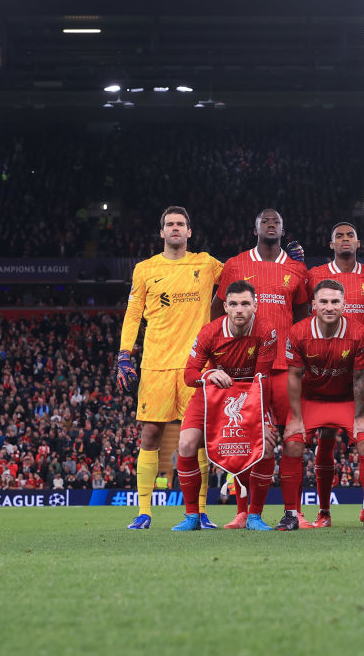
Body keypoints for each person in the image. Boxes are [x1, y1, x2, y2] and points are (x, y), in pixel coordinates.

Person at [117, 205, 224, 530]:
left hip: (197, 364)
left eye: (180, 224)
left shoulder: (206, 264)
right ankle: (144, 511)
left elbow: (240, 277)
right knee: (150, 434)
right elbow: (134, 312)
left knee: (199, 440)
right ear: (162, 232)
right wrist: (124, 354)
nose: (175, 228)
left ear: (189, 231)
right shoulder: (145, 269)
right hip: (156, 365)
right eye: (169, 224)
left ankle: (201, 511)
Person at [211, 209, 310, 529]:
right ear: (255, 228)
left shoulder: (296, 269)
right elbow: (217, 308)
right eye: (265, 220)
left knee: (293, 437)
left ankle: (294, 512)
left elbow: (304, 315)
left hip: (284, 367)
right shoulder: (236, 265)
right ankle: (244, 511)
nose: (270, 224)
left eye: (276, 221)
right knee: (244, 441)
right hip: (243, 369)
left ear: (283, 230)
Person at [171, 280, 279, 531]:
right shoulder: (210, 332)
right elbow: (189, 375)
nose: (239, 309)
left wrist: (262, 421)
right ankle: (192, 517)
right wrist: (207, 376)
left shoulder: (266, 330)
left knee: (266, 447)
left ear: (255, 305)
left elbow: (262, 379)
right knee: (186, 444)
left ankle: (254, 516)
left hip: (251, 394)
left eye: (244, 304)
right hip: (213, 394)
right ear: (226, 307)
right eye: (233, 304)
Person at [278, 279, 364, 530]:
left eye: (335, 301)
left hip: (346, 400)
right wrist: (296, 418)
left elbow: (360, 377)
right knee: (292, 443)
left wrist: (358, 416)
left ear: (344, 304)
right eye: (323, 301)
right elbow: (293, 376)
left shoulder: (359, 332)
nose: (329, 306)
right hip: (312, 400)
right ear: (313, 304)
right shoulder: (298, 332)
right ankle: (291, 514)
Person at [307, 222, 364, 527]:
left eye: (349, 236)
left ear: (358, 243)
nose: (344, 239)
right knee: (325, 438)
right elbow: (302, 306)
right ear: (331, 244)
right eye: (338, 235)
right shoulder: (315, 275)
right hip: (323, 371)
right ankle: (324, 512)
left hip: (358, 371)